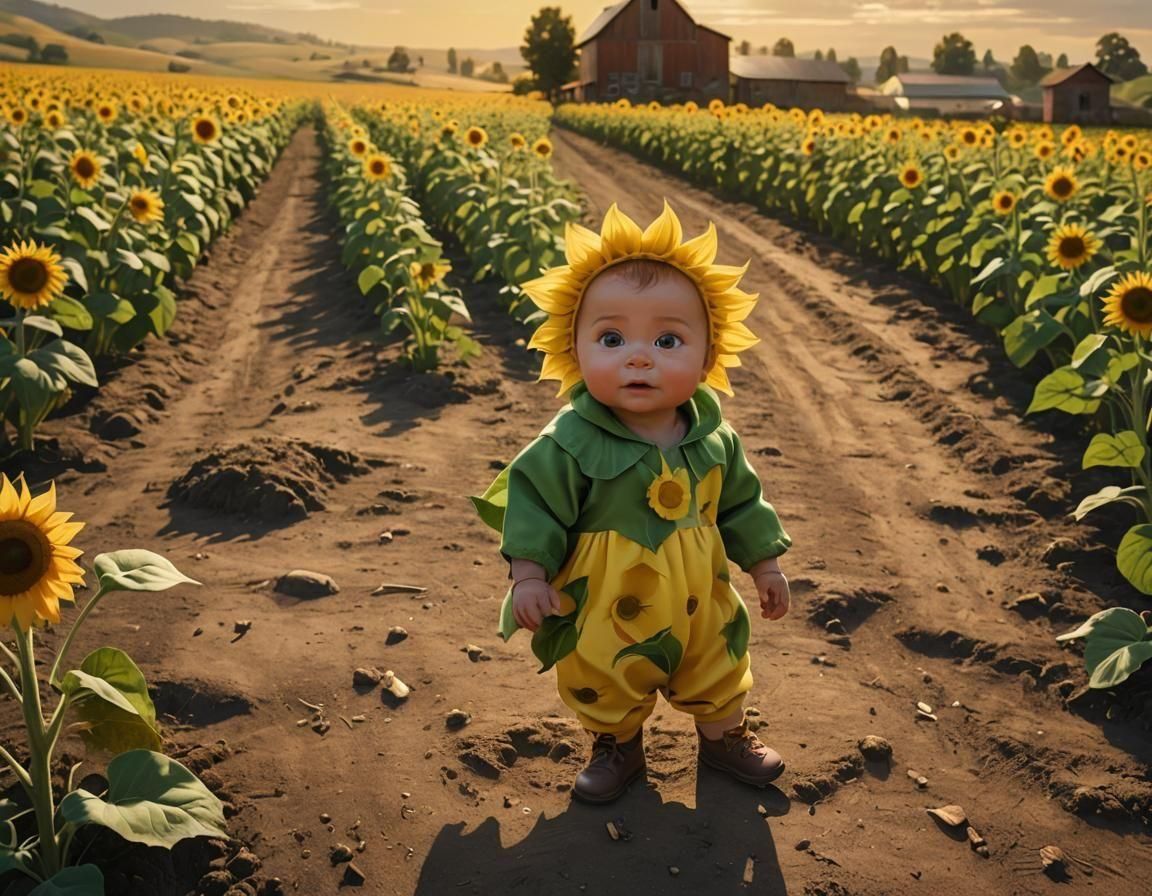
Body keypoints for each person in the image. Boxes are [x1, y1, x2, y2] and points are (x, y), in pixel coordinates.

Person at [470, 200, 792, 804]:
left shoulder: (714, 438)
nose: (639, 356)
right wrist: (528, 574)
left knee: (719, 658)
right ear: (574, 349)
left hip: (701, 594)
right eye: (612, 338)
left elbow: (744, 505)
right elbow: (534, 504)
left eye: (668, 339)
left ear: (708, 354)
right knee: (602, 670)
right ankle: (616, 746)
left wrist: (765, 564)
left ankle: (724, 738)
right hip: (605, 599)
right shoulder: (569, 441)